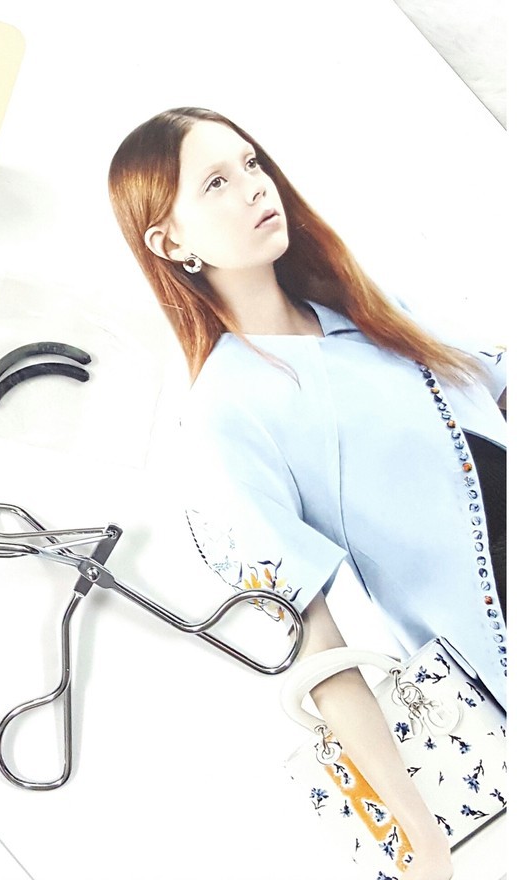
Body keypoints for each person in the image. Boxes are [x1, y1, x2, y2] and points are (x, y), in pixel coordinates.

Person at [107, 107, 506, 880]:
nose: (256, 188)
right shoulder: (228, 413)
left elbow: (495, 386)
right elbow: (317, 648)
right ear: (170, 242)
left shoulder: (359, 309)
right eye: (216, 183)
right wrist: (418, 837)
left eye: (252, 164)